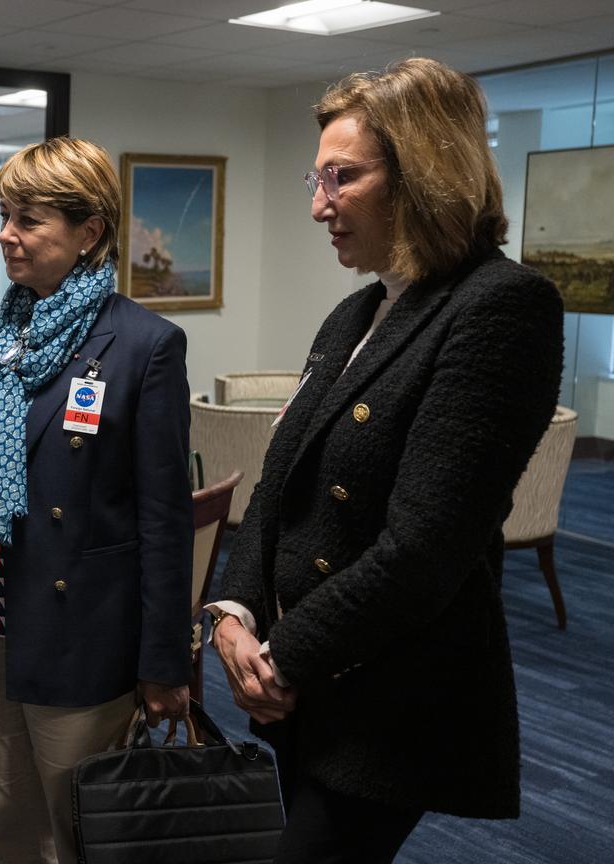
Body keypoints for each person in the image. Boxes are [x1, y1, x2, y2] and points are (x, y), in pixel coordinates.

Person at [209, 58, 564, 863]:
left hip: (388, 692)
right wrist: (229, 614)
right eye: (316, 177)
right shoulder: (356, 310)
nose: (317, 205)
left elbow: (426, 548)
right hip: (304, 685)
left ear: (422, 176)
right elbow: (279, 483)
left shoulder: (501, 307)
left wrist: (278, 657)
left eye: (342, 178)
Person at [0, 136, 195, 864]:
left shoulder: (143, 345)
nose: (7, 234)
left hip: (81, 631)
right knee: (12, 826)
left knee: (82, 834)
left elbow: (165, 521)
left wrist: (166, 662)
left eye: (29, 219)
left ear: (88, 231)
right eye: (5, 214)